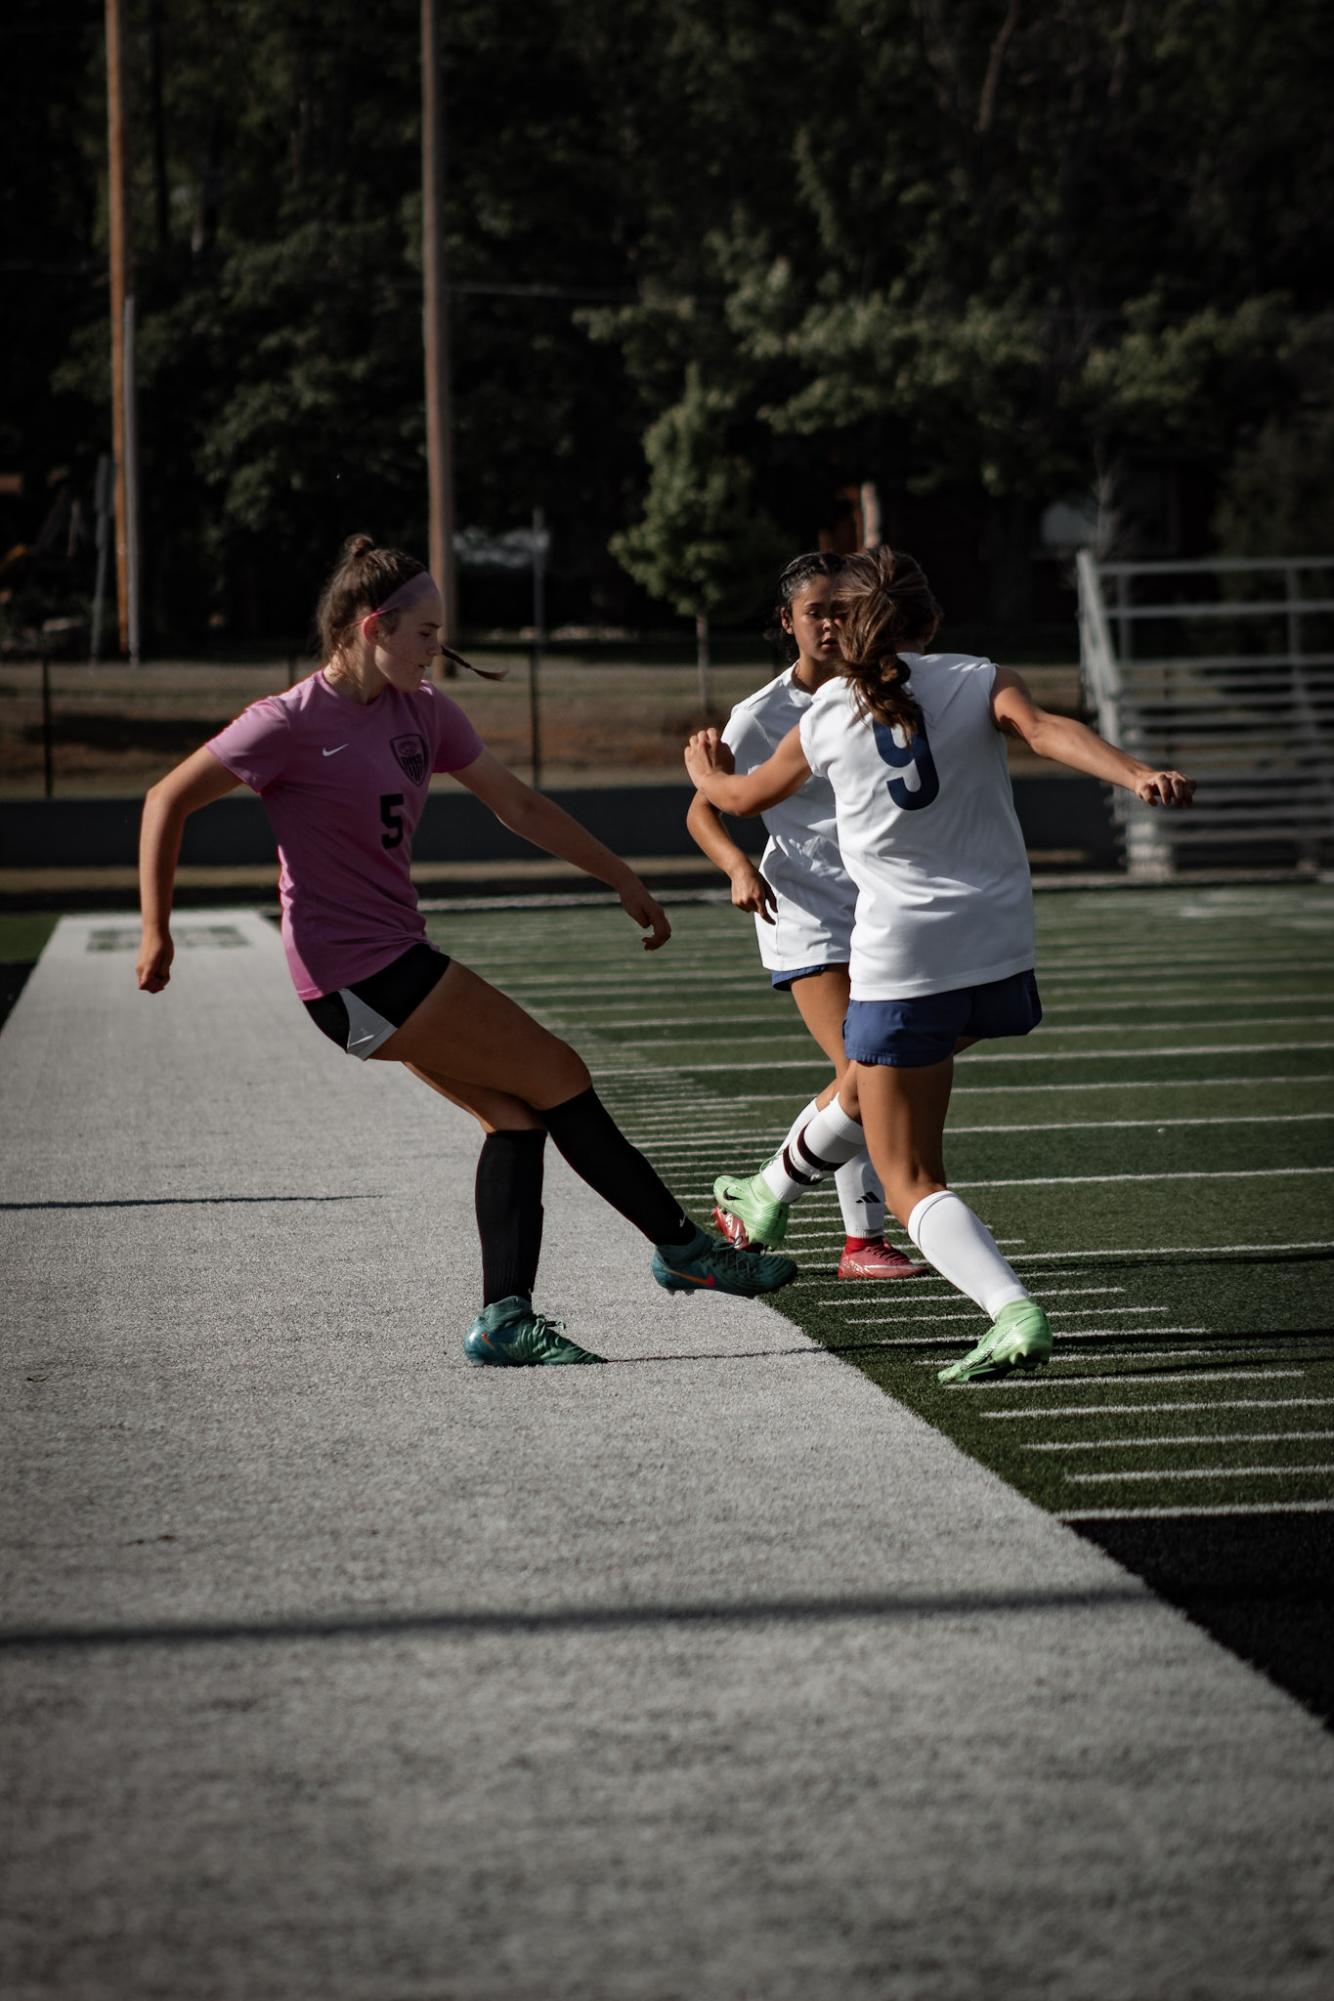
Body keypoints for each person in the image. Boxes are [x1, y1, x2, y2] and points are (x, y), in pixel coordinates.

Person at [137, 534, 796, 1367]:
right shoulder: (289, 721)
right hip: (355, 975)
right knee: (560, 1072)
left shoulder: (424, 712)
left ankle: (504, 1320)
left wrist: (619, 875)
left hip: (387, 964)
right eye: (424, 633)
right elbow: (167, 798)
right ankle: (684, 1248)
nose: (437, 650)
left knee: (516, 1115)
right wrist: (156, 927)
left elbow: (516, 805)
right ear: (373, 626)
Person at [684, 545, 1195, 1383]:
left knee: (909, 1176)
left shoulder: (824, 718)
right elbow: (1048, 730)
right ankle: (769, 1190)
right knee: (861, 1082)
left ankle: (1010, 1310)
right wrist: (1136, 773)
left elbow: (735, 801)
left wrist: (701, 767)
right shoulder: (976, 675)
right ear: (931, 621)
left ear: (851, 627)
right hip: (999, 955)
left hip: (903, 957)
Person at [686, 551, 923, 1281]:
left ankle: (793, 1212)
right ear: (786, 622)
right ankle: (854, 1238)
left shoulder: (878, 690)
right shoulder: (761, 714)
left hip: (879, 907)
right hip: (805, 911)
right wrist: (737, 865)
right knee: (863, 1068)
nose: (830, 622)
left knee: (872, 1074)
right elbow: (703, 807)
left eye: (842, 608)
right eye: (815, 610)